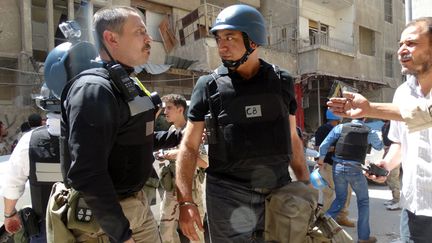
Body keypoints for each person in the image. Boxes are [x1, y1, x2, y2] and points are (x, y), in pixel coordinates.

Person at [175, 4, 310, 242]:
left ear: (254, 41)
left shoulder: (282, 81)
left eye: (230, 37)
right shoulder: (208, 86)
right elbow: (188, 146)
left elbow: (292, 137)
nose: (222, 46)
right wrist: (185, 201)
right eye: (218, 39)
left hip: (278, 191)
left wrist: (305, 185)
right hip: (227, 195)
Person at [57, 6, 182, 243]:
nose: (149, 39)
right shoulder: (94, 90)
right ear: (111, 38)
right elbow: (87, 172)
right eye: (140, 32)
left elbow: (132, 141)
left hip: (137, 207)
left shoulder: (126, 84)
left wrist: (180, 135)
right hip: (105, 222)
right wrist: (121, 234)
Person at [327, 17, 432, 242]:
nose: (401, 50)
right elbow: (400, 142)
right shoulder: (402, 92)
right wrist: (386, 164)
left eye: (411, 43)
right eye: (400, 44)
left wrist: (370, 108)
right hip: (414, 207)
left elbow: (425, 114)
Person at [3, 84, 62, 243]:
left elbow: (12, 185)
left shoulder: (29, 140)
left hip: (46, 230)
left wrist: (9, 215)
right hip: (88, 225)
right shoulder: (95, 138)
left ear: (44, 103)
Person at [318, 118, 383, 243]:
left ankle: (320, 230)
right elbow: (379, 146)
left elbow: (324, 145)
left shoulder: (340, 127)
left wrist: (320, 161)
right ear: (364, 118)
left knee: (340, 199)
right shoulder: (369, 131)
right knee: (363, 202)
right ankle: (364, 238)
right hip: (355, 170)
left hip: (337, 168)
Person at [157, 94, 207, 243]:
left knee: (195, 232)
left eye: (169, 108)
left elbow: (204, 162)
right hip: (171, 188)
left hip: (191, 191)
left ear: (180, 109)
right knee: (165, 231)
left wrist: (176, 155)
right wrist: (163, 155)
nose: (165, 111)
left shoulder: (192, 131)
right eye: (164, 108)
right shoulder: (172, 131)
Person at [314, 109, 355, 227]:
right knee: (328, 193)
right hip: (328, 165)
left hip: (340, 165)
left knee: (347, 190)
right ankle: (322, 220)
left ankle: (341, 216)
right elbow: (318, 147)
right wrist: (337, 148)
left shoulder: (340, 128)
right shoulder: (323, 129)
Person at [381, 120, 401, 211]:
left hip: (393, 151)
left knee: (393, 177)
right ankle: (394, 199)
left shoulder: (393, 123)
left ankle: (397, 201)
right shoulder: (386, 125)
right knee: (389, 177)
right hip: (388, 150)